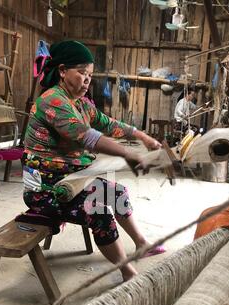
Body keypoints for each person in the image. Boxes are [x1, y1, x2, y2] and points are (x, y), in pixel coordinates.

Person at [22, 40, 166, 282]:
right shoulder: (52, 101)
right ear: (61, 71)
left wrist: (143, 137)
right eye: (81, 73)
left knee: (117, 193)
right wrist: (127, 153)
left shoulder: (80, 103)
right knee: (99, 211)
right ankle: (127, 272)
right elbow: (86, 136)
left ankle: (141, 244)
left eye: (89, 74)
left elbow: (108, 124)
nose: (87, 79)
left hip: (71, 180)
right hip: (46, 189)